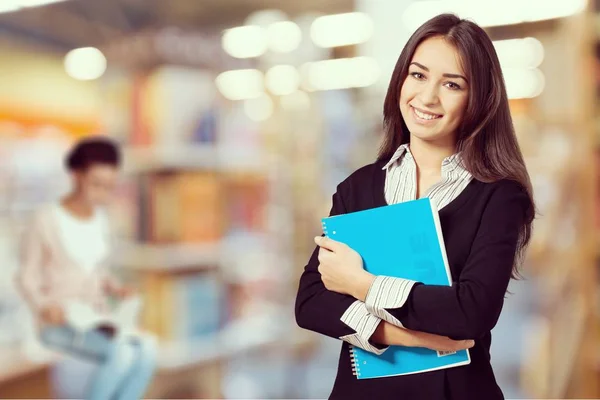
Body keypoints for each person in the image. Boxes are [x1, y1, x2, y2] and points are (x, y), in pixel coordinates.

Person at [295, 13, 535, 400]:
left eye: (452, 84)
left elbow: (470, 312)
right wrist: (410, 335)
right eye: (418, 75)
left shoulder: (499, 195)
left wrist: (361, 284)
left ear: (478, 98)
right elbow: (311, 301)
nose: (427, 97)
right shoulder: (358, 187)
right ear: (401, 80)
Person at [16, 137, 157, 400]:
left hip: (94, 319)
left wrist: (115, 288)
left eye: (109, 187)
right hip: (58, 324)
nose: (102, 194)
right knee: (123, 353)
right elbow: (26, 276)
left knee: (148, 349)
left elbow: (94, 271)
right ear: (76, 176)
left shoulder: (100, 221)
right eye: (97, 184)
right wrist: (44, 305)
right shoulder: (45, 219)